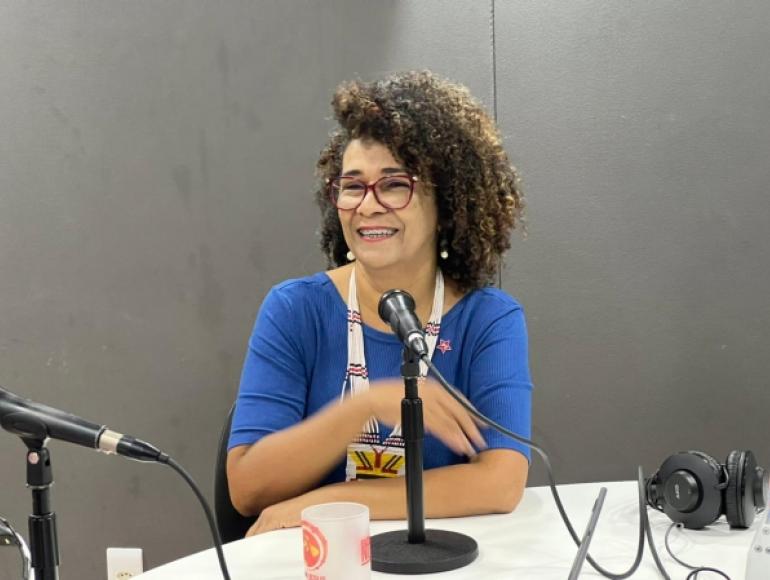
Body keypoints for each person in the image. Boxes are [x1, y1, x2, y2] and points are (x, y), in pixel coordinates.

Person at [227, 70, 532, 536]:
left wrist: (333, 501)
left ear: (447, 201)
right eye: (353, 186)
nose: (368, 206)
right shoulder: (296, 310)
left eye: (394, 185)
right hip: (318, 561)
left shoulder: (488, 318)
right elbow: (247, 488)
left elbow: (501, 483)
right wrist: (364, 407)